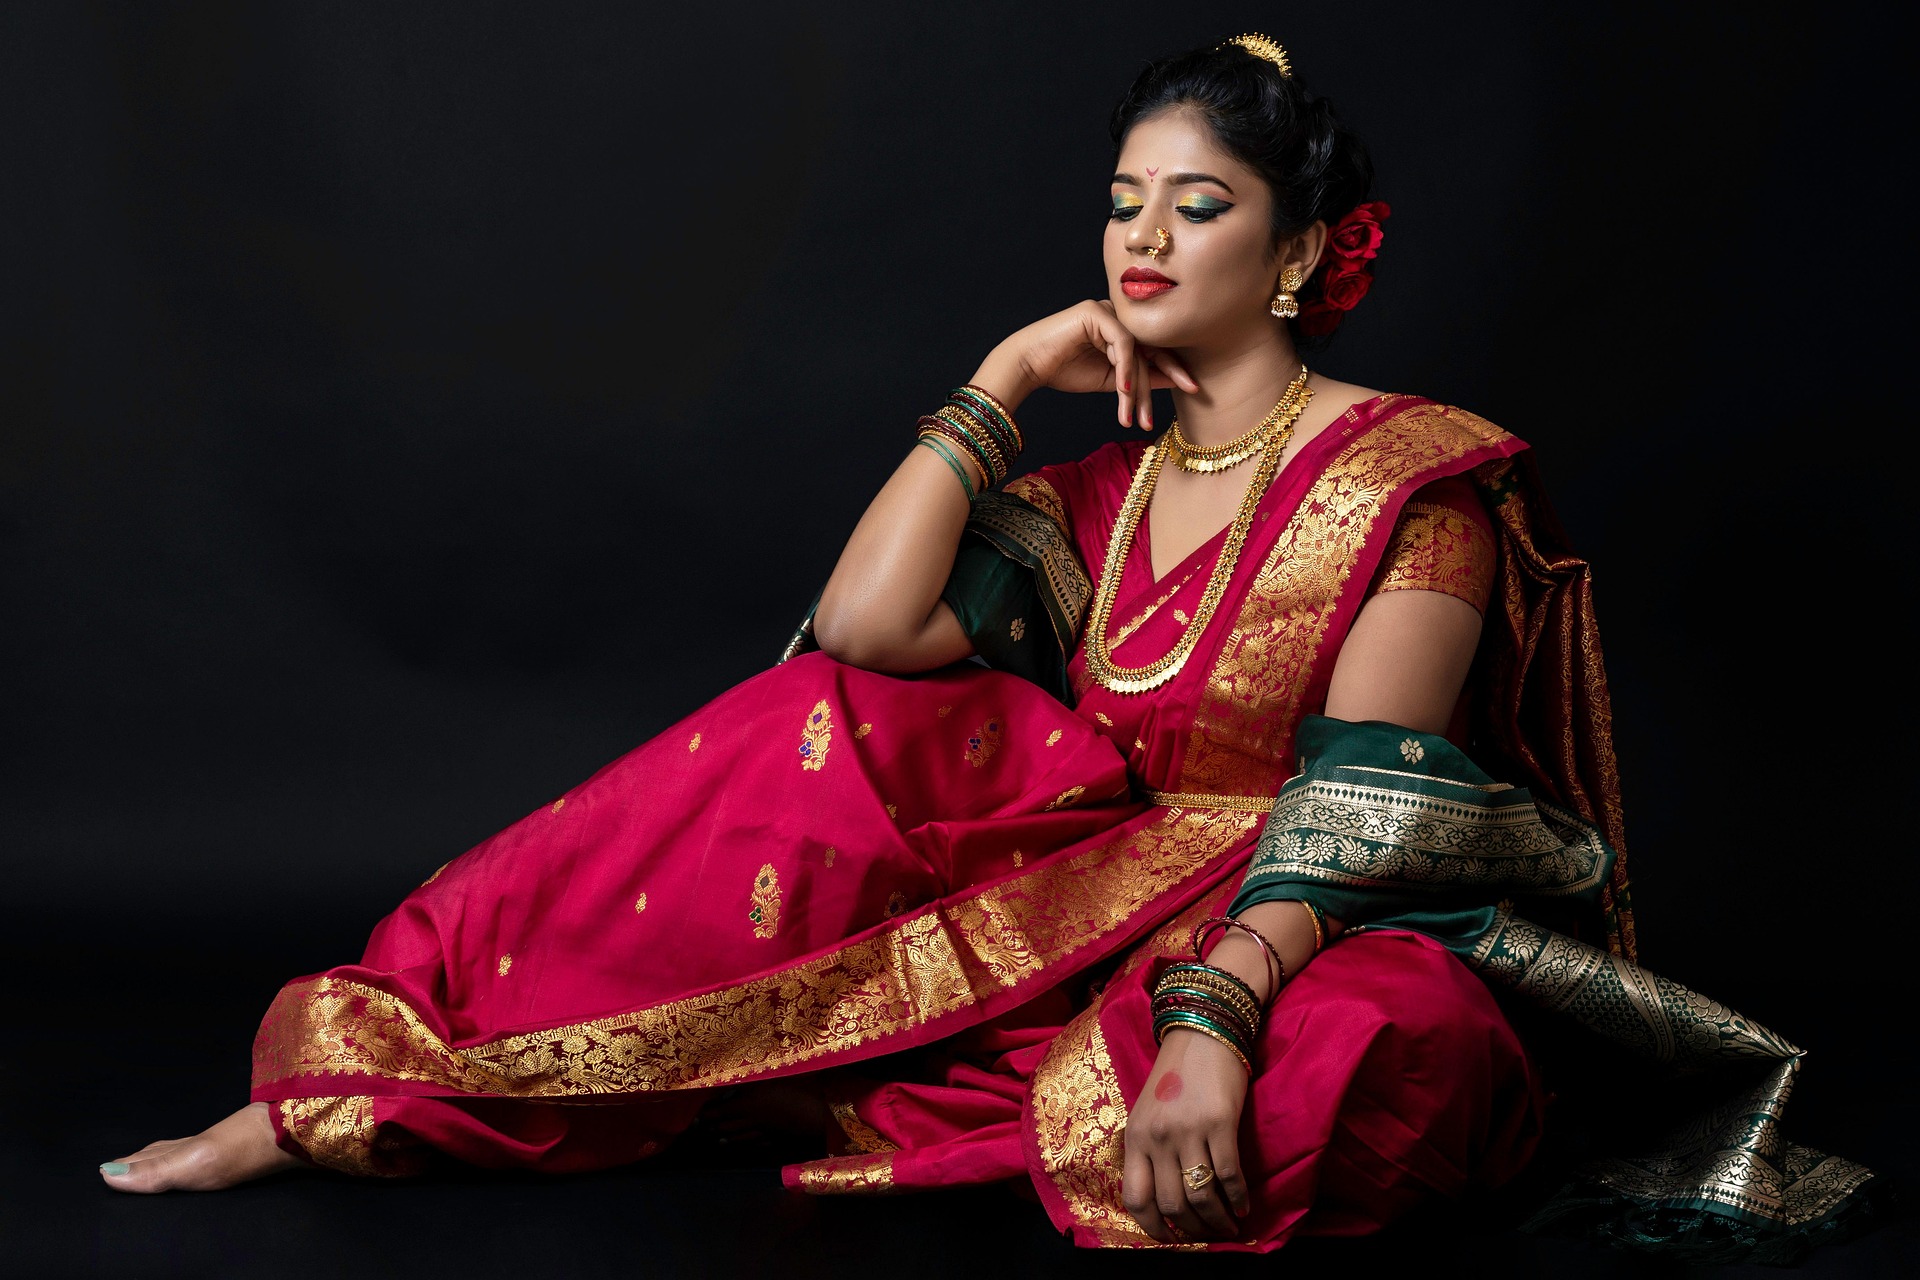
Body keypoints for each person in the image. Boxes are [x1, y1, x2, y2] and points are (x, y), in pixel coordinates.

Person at [97, 34, 1877, 1261]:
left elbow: (1364, 798)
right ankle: (376, 1074)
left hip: (1312, 910)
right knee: (825, 723)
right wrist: (1001, 383)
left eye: (1199, 202)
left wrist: (1215, 1016)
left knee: (1373, 1069)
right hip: (1080, 891)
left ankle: (1108, 1080)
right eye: (1124, 199)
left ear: (1305, 247)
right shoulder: (1099, 491)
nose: (1144, 236)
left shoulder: (1416, 477)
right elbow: (869, 633)